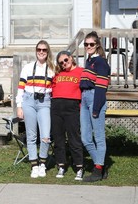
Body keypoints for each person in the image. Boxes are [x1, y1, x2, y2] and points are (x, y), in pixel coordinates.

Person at [16, 40, 55, 178]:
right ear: (36, 50)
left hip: (44, 101)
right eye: (39, 49)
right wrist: (19, 106)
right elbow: (20, 88)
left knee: (45, 136)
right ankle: (34, 165)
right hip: (29, 101)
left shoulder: (52, 69)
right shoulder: (27, 67)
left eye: (44, 50)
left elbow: (55, 89)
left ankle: (43, 163)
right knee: (31, 136)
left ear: (48, 51)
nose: (41, 52)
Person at [80, 31, 111, 182]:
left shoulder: (101, 62)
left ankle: (98, 170)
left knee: (99, 137)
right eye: (86, 44)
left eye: (91, 44)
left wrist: (96, 108)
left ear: (97, 45)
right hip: (85, 98)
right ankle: (100, 165)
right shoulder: (89, 61)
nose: (88, 46)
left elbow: (101, 87)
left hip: (95, 99)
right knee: (85, 138)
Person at [50, 50, 84, 180]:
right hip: (56, 107)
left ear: (71, 58)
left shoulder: (81, 71)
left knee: (74, 138)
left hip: (72, 107)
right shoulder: (58, 74)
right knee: (58, 139)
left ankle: (79, 167)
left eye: (65, 60)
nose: (64, 63)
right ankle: (61, 165)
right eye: (61, 62)